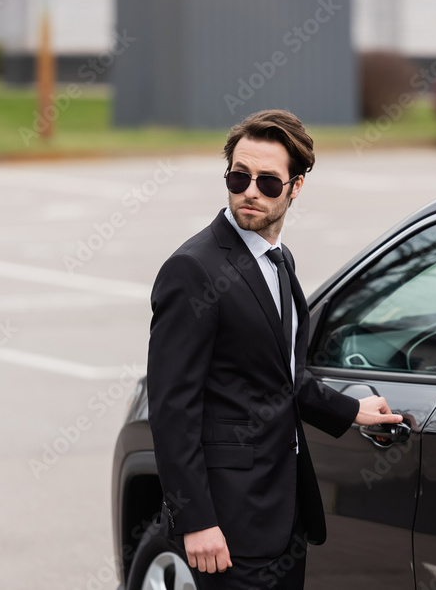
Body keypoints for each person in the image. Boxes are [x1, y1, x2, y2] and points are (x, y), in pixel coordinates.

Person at [146, 109, 402, 590]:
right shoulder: (192, 270)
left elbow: (284, 377)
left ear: (295, 187)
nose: (249, 191)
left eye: (268, 182)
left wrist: (352, 410)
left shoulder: (278, 262)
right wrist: (196, 519)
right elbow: (171, 409)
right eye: (239, 176)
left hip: (284, 517)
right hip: (226, 524)